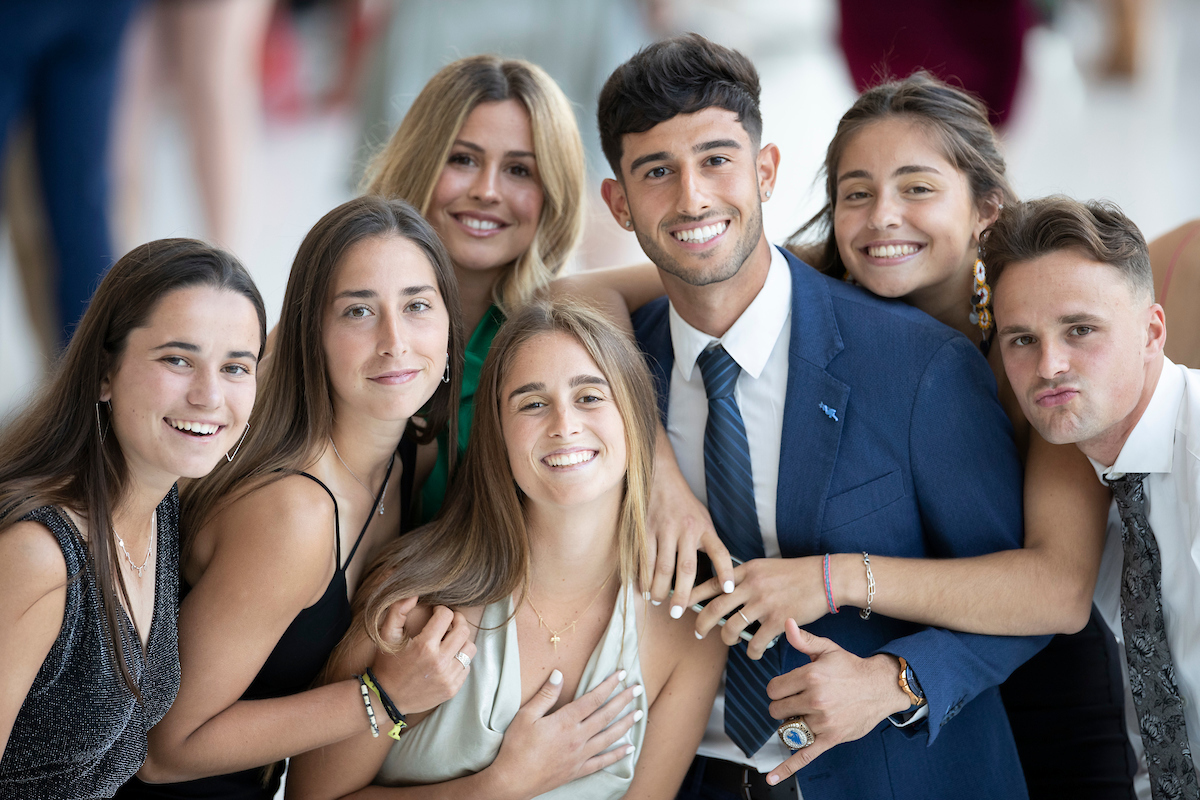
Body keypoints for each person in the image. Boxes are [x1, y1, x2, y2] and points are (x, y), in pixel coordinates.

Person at [597, 34, 1046, 799]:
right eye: (656, 172)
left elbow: (1024, 601)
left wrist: (898, 680)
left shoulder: (920, 364)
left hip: (899, 773)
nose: (693, 198)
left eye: (716, 160)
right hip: (679, 777)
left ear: (765, 171)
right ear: (618, 202)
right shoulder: (612, 374)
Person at [286, 299, 726, 800]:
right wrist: (499, 786)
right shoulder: (417, 605)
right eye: (532, 403)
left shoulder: (687, 634)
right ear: (497, 431)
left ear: (635, 418)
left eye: (589, 397)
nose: (564, 424)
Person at [117, 197, 470, 800]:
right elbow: (164, 750)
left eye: (416, 306)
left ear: (448, 327)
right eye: (359, 311)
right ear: (313, 336)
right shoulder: (293, 512)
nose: (394, 341)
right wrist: (383, 699)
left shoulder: (415, 456)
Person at [0, 238, 265, 796]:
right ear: (104, 372)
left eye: (236, 366)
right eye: (177, 359)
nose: (209, 395)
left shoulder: (159, 506)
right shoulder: (39, 553)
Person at [987, 196, 1200, 800]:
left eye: (1081, 330)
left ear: (1152, 331)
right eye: (1022, 339)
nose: (1049, 365)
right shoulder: (1098, 485)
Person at [361, 53, 586, 521]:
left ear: (553, 194)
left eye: (519, 170)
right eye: (463, 159)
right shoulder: (342, 307)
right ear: (420, 162)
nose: (487, 190)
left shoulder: (554, 339)